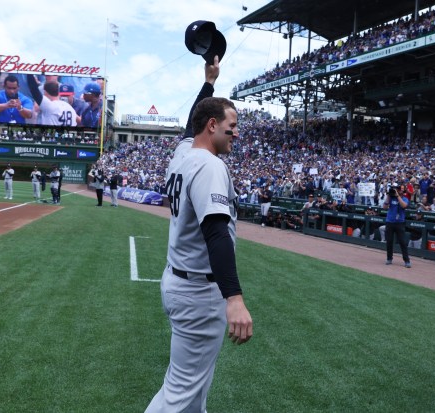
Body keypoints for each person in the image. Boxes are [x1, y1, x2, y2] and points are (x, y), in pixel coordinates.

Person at [145, 55, 253, 413]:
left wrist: (209, 83)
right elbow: (216, 233)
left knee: (194, 395)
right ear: (211, 125)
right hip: (199, 293)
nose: (236, 132)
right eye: (231, 125)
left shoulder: (182, 154)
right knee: (179, 393)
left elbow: (192, 125)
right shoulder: (209, 166)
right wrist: (234, 298)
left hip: (178, 281)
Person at [383, 184, 412, 268]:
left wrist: (398, 196)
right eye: (398, 189)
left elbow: (404, 205)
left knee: (402, 242)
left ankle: (407, 261)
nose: (399, 191)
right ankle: (389, 258)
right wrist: (388, 195)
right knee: (389, 241)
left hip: (400, 222)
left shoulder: (405, 198)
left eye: (400, 190)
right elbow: (384, 207)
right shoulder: (391, 198)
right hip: (390, 222)